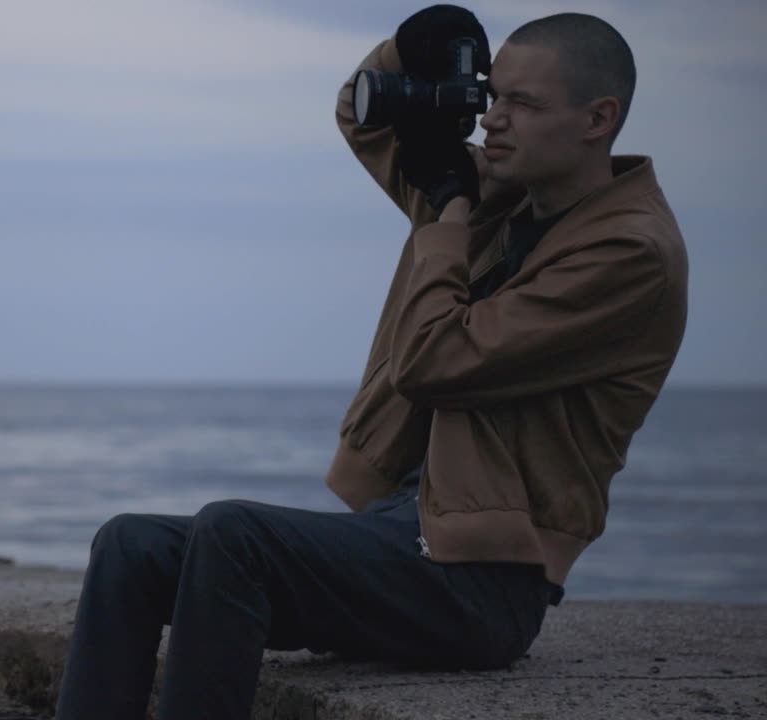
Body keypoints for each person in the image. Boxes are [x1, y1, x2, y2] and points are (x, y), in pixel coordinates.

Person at [53, 6, 688, 719]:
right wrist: (407, 49)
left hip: (481, 583)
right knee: (129, 546)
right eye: (492, 94)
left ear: (598, 118)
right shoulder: (502, 199)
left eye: (523, 103)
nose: (491, 120)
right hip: (398, 535)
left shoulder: (628, 255)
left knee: (234, 535)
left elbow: (434, 360)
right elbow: (366, 117)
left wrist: (447, 220)